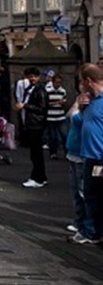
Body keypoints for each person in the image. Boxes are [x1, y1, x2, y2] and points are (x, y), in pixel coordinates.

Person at [77, 64, 103, 244]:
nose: (80, 84)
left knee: (97, 195)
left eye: (81, 81)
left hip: (100, 158)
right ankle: (95, 232)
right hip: (90, 157)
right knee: (91, 195)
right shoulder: (91, 100)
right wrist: (81, 108)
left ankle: (97, 232)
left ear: (88, 81)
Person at [16, 67, 49, 188]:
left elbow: (42, 108)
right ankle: (41, 177)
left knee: (36, 153)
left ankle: (37, 178)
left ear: (38, 77)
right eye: (30, 76)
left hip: (37, 124)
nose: (32, 79)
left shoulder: (40, 91)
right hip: (32, 123)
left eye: (34, 76)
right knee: (35, 153)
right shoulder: (30, 88)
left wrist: (25, 106)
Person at [64, 94, 89, 242]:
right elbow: (68, 116)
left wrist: (78, 105)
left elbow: (75, 118)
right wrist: (77, 102)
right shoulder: (78, 110)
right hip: (72, 153)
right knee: (76, 192)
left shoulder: (86, 113)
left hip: (81, 155)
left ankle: (84, 224)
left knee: (82, 192)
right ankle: (79, 221)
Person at [46, 74, 68, 160]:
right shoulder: (48, 91)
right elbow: (46, 103)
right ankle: (53, 153)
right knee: (53, 137)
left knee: (64, 135)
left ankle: (67, 152)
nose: (58, 84)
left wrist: (63, 103)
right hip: (50, 116)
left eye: (60, 83)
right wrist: (55, 103)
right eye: (56, 82)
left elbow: (65, 101)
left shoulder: (63, 91)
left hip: (60, 116)